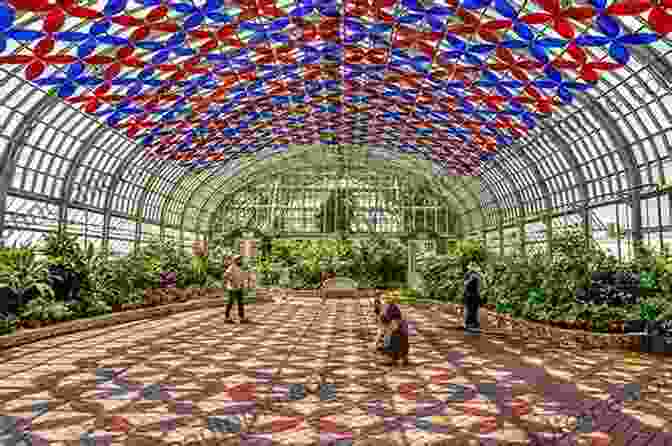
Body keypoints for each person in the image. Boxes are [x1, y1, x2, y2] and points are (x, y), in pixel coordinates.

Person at [224, 255, 250, 324]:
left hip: (239, 288)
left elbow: (240, 277)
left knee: (240, 303)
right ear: (236, 260)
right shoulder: (232, 267)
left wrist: (242, 284)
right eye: (240, 260)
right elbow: (226, 275)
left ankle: (241, 318)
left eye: (241, 259)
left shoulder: (239, 268)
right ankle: (227, 318)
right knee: (230, 303)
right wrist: (232, 281)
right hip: (232, 288)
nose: (241, 261)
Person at [463, 261, 482, 332]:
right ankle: (467, 324)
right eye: (472, 267)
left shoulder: (477, 275)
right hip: (468, 294)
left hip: (475, 295)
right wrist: (470, 280)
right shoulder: (467, 274)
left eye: (474, 267)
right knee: (468, 309)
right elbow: (464, 284)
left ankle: (475, 324)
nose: (473, 269)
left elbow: (479, 286)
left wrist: (479, 294)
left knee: (475, 310)